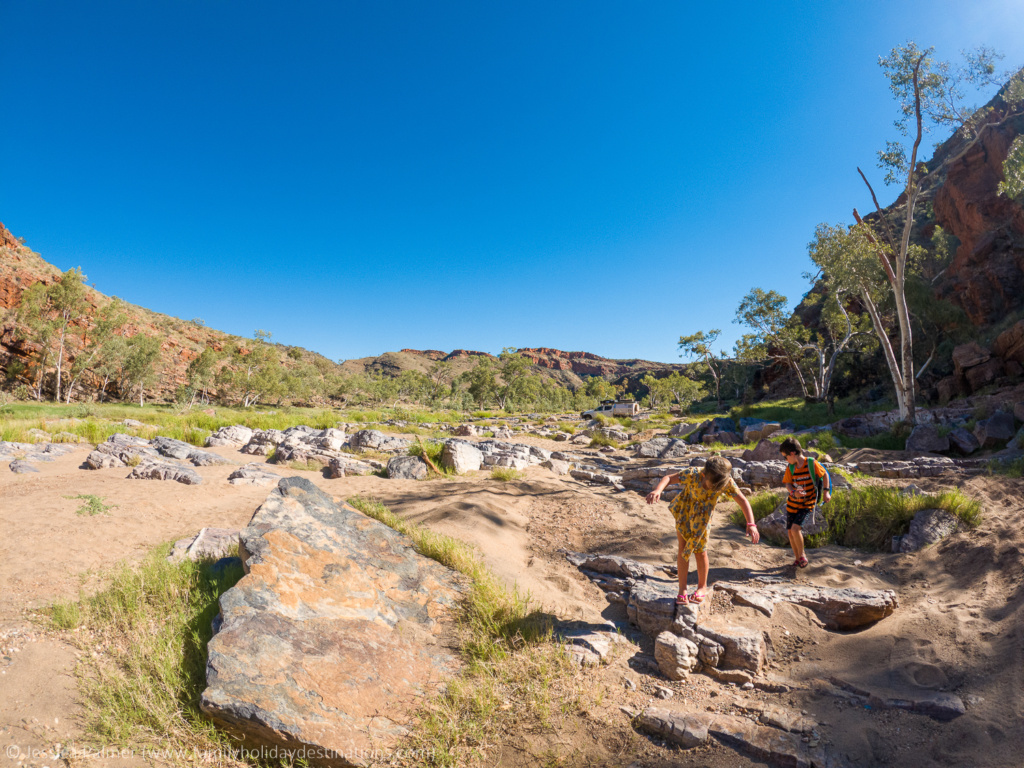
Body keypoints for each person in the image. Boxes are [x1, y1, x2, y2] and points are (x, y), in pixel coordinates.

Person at [646, 456, 759, 605]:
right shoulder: (693, 473)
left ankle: (702, 587)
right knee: (683, 548)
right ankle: (682, 589)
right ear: (704, 475)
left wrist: (751, 523)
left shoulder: (725, 481)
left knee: (701, 551)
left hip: (702, 520)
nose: (716, 488)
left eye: (719, 486)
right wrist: (658, 490)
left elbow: (743, 501)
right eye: (714, 485)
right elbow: (668, 478)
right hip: (685, 512)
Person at [778, 437, 831, 568]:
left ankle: (802, 555)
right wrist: (793, 492)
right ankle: (797, 559)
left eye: (785, 457)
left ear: (792, 453)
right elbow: (788, 483)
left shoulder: (812, 463)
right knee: (790, 532)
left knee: (795, 529)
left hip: (807, 504)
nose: (785, 460)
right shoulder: (791, 467)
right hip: (792, 505)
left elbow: (824, 475)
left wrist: (826, 492)